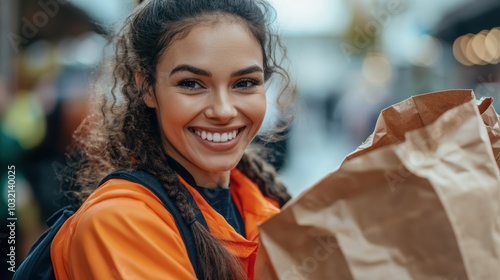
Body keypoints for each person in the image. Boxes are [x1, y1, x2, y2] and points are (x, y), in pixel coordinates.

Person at [50, 0, 295, 279]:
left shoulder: (264, 201)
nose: (224, 111)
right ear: (147, 88)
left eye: (245, 83)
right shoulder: (119, 222)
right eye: (191, 84)